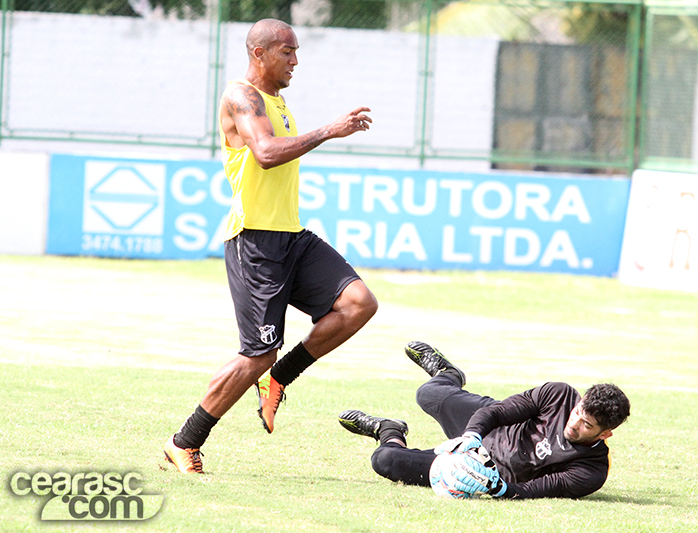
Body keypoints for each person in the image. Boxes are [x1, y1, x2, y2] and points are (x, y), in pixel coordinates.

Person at [164, 18, 378, 474]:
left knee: (359, 303)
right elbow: (264, 153)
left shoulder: (277, 101)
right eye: (287, 51)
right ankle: (185, 441)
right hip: (254, 241)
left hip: (291, 236)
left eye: (296, 51)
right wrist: (328, 130)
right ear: (258, 53)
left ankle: (279, 379)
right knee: (257, 352)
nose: (295, 61)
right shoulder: (241, 95)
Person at [339, 341, 630, 499]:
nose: (574, 423)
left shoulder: (591, 470)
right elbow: (500, 411)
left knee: (385, 460)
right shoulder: (559, 394)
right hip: (487, 430)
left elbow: (537, 490)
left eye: (587, 426)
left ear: (605, 435)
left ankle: (389, 429)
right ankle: (449, 374)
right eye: (578, 412)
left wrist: (497, 487)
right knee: (427, 394)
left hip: (477, 470)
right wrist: (472, 435)